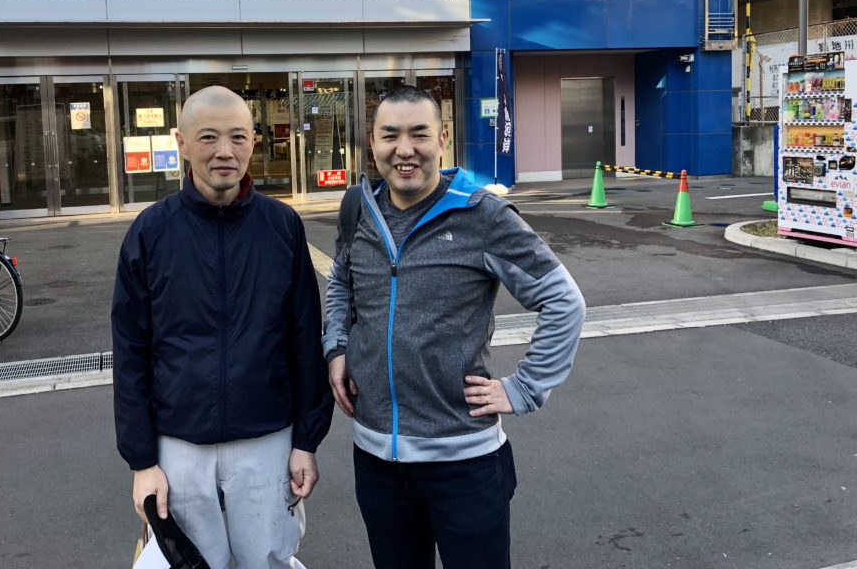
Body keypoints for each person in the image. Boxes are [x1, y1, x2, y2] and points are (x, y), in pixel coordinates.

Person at [323, 85, 586, 569]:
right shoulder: (358, 208)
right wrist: (337, 346)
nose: (404, 149)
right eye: (390, 136)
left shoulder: (482, 215)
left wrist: (524, 389)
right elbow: (342, 280)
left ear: (442, 138)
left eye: (419, 134)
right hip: (377, 460)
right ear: (373, 143)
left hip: (465, 462)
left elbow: (564, 301)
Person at [112, 86, 333, 569]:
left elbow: (303, 340)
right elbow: (131, 354)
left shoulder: (282, 227)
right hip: (179, 445)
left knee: (270, 561)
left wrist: (306, 441)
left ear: (254, 141)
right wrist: (142, 461)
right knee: (189, 563)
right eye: (208, 137)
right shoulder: (150, 232)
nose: (225, 151)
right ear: (181, 143)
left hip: (268, 440)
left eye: (238, 136)